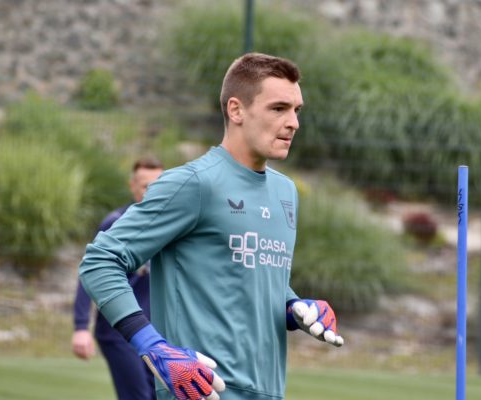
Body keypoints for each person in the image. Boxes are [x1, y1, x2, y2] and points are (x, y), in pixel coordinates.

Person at [79, 52, 344, 400]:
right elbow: (100, 261)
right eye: (279, 108)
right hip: (200, 391)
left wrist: (295, 308)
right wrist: (152, 345)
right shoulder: (192, 183)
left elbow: (251, 280)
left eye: (297, 110)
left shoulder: (285, 192)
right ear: (236, 110)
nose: (293, 122)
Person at [72, 157, 164, 400]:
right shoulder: (117, 222)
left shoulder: (166, 224)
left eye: (158, 185)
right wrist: (81, 327)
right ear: (132, 186)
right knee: (137, 396)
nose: (151, 191)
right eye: (145, 186)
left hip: (152, 332)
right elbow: (90, 273)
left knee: (158, 395)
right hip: (119, 331)